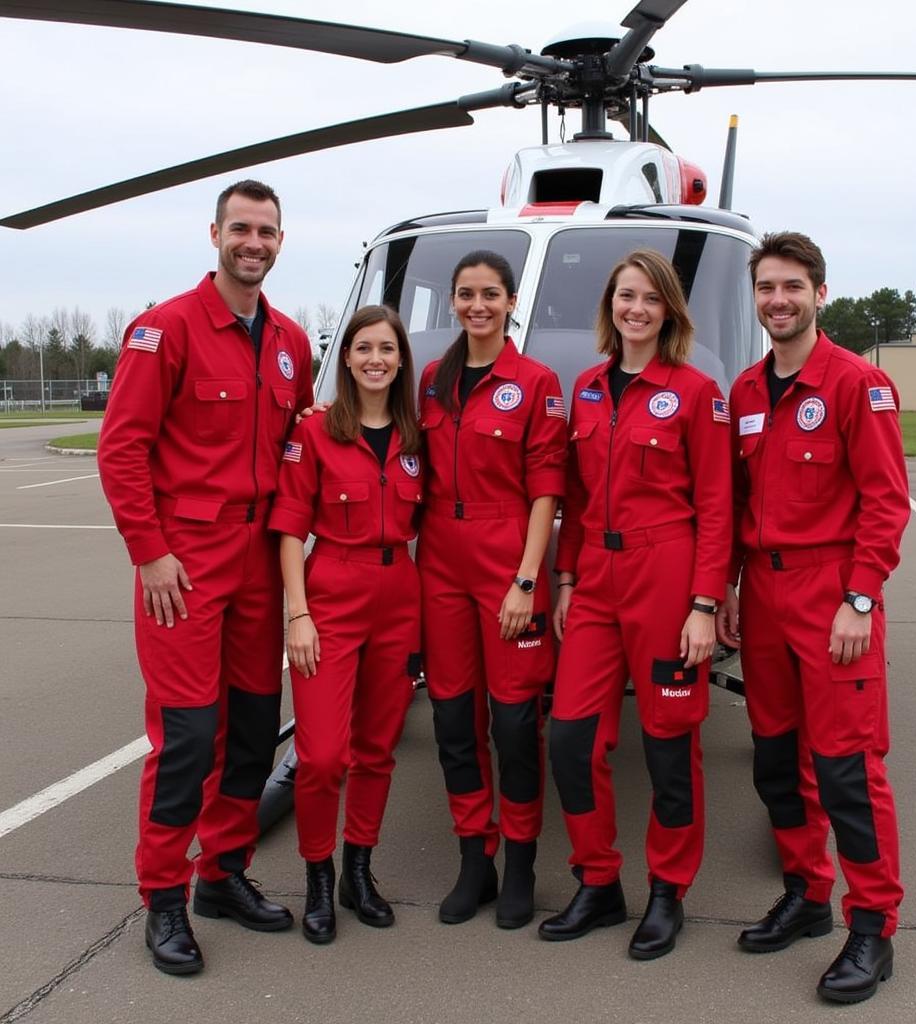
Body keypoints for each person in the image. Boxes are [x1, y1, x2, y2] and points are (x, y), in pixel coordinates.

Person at [98, 180, 314, 975]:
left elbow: (300, 449)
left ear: (282, 241)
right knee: (189, 737)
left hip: (261, 559)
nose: (253, 243)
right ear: (215, 234)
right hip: (184, 561)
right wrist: (149, 550)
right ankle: (162, 896)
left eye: (267, 231)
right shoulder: (167, 329)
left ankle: (222, 873)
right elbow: (121, 447)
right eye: (241, 229)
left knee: (255, 730)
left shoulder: (292, 339)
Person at [716, 232, 910, 1004]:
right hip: (762, 594)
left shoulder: (857, 383)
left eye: (792, 286)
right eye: (766, 287)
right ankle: (806, 893)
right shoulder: (746, 392)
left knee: (847, 770)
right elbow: (735, 503)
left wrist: (860, 597)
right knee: (776, 760)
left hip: (833, 595)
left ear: (819, 293)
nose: (779, 300)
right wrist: (729, 585)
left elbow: (887, 502)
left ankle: (874, 927)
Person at [539, 249, 732, 961]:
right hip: (595, 578)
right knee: (569, 739)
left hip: (668, 574)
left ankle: (667, 892)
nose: (637, 309)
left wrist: (704, 603)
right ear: (610, 305)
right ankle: (597, 881)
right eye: (626, 296)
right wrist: (565, 581)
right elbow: (576, 498)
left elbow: (717, 507)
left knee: (669, 746)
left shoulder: (695, 392)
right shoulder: (587, 389)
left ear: (669, 310)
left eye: (651, 298)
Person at [417, 250, 567, 929]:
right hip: (440, 563)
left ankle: (522, 861)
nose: (478, 304)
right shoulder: (430, 380)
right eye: (466, 293)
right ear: (453, 301)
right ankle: (473, 856)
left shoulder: (535, 382)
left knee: (512, 723)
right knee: (453, 720)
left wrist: (527, 581)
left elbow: (546, 490)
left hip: (508, 558)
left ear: (511, 303)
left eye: (490, 294)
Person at [270, 305, 422, 944]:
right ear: (347, 358)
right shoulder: (314, 434)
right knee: (323, 753)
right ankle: (317, 875)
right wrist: (297, 614)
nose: (375, 360)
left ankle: (359, 869)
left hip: (400, 595)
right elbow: (287, 528)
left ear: (400, 360)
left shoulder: (419, 436)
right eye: (363, 348)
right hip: (330, 590)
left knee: (376, 750)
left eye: (387, 348)